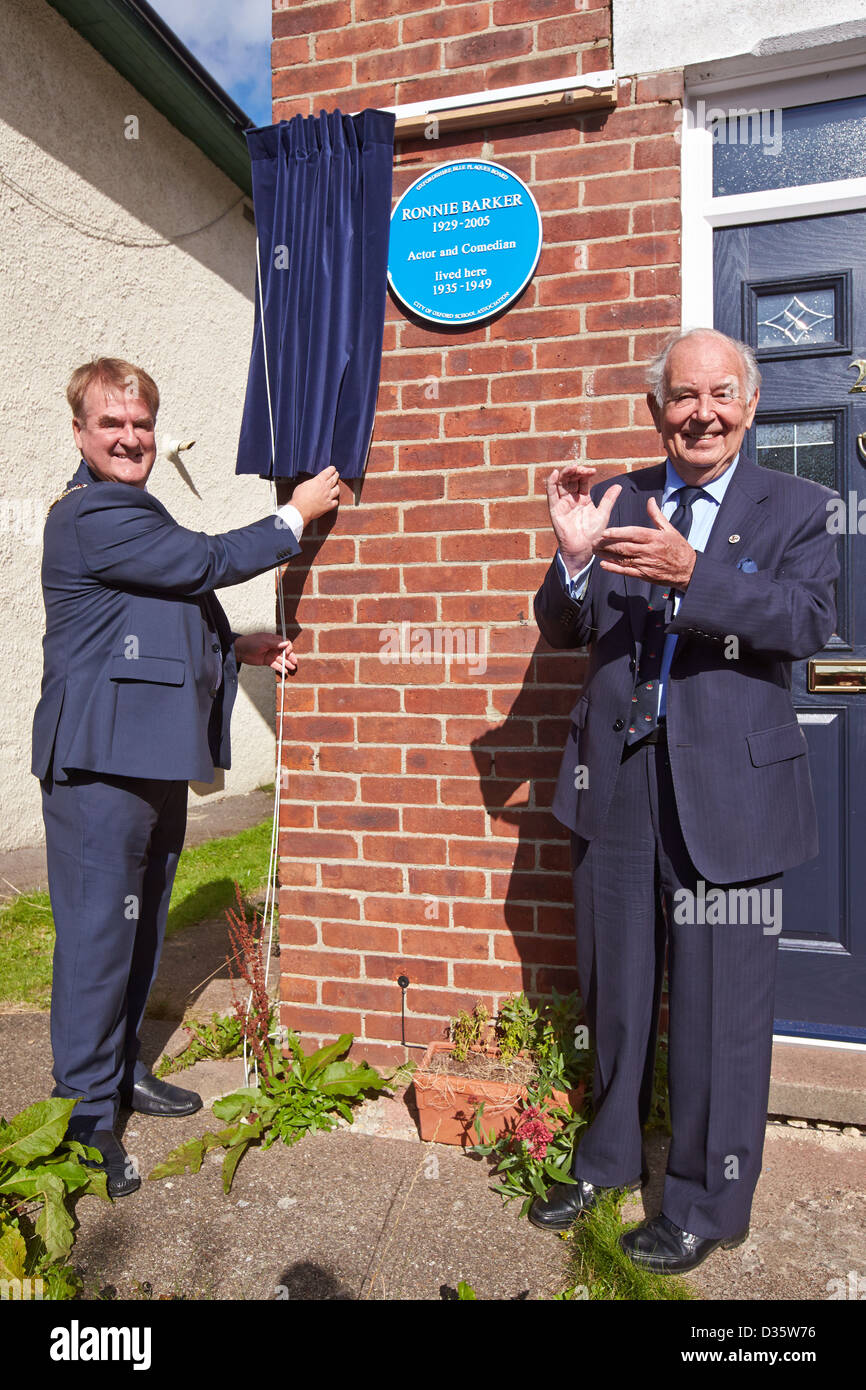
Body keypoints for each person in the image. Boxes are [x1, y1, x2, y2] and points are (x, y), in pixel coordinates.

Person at [530, 328, 838, 1272]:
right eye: (681, 397)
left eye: (719, 396)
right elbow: (563, 627)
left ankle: (709, 1202)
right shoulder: (620, 496)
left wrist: (696, 577)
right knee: (615, 989)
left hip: (732, 792)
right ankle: (606, 1160)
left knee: (720, 1008)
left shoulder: (801, 505)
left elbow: (809, 623)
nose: (700, 413)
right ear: (655, 409)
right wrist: (574, 563)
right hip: (619, 785)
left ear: (748, 407)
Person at [32, 358, 340, 1197]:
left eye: (141, 423)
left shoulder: (131, 507)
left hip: (146, 756)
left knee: (140, 932)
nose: (131, 438)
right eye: (111, 424)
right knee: (98, 941)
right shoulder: (91, 512)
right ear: (80, 434)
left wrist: (234, 648)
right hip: (99, 763)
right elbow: (203, 562)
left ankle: (120, 1070)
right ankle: (82, 1118)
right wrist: (293, 517)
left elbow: (161, 604)